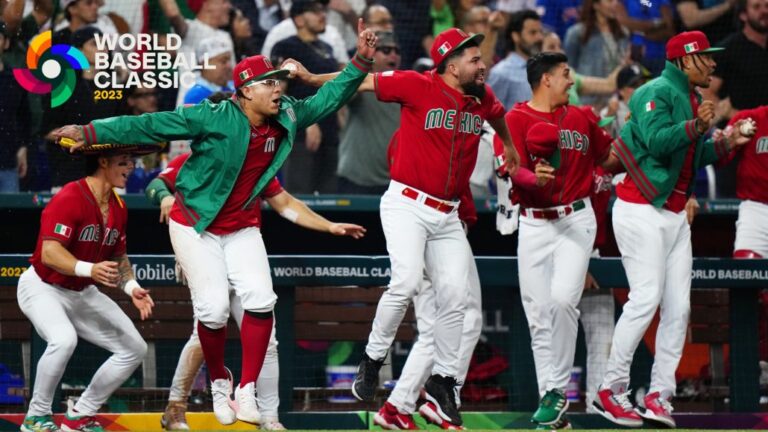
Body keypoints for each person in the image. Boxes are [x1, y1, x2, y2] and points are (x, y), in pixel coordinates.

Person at [53, 19, 378, 427]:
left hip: (241, 227)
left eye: (280, 82)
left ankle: (245, 388)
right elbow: (149, 124)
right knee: (213, 311)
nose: (279, 89)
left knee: (261, 300)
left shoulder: (288, 116)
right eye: (269, 83)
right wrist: (90, 129)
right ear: (245, 92)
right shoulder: (212, 116)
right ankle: (219, 380)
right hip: (193, 224)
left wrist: (362, 59)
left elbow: (331, 97)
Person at [295, 26, 520, 428]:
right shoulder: (417, 84)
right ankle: (372, 358)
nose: (482, 65)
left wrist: (512, 149)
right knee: (405, 282)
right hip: (407, 204)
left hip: (448, 214)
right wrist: (313, 79)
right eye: (473, 59)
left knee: (457, 297)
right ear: (450, 64)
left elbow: (500, 121)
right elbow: (361, 81)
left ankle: (445, 381)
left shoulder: (482, 97)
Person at [593, 31, 754, 428]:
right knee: (645, 298)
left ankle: (657, 396)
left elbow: (694, 154)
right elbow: (655, 140)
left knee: (678, 309)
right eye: (706, 58)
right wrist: (696, 128)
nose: (713, 65)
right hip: (638, 208)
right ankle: (609, 390)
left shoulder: (694, 99)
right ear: (684, 60)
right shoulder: (654, 90)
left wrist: (728, 139)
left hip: (674, 213)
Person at [147, 144, 362, 430]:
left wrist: (329, 226)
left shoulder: (255, 159)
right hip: (205, 255)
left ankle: (270, 418)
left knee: (268, 340)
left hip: (241, 257)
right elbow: (155, 185)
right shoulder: (196, 157)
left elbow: (284, 202)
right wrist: (164, 196)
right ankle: (176, 407)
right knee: (206, 329)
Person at [496, 52, 618, 429]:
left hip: (575, 220)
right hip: (534, 224)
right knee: (538, 317)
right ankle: (552, 399)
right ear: (545, 79)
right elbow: (512, 170)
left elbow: (608, 156)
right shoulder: (516, 119)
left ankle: (554, 392)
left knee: (564, 301)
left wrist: (638, 148)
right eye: (566, 75)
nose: (572, 81)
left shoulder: (581, 117)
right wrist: (535, 179)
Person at [18, 148, 154, 432]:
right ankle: (36, 416)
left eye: (131, 161)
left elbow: (119, 256)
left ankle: (80, 414)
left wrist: (131, 287)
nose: (130, 167)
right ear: (103, 162)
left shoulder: (118, 206)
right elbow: (50, 253)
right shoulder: (71, 196)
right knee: (63, 339)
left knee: (134, 348)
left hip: (81, 291)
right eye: (123, 161)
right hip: (42, 286)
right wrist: (88, 269)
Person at [336, 30, 401, 194]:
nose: (393, 55)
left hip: (392, 182)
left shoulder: (403, 89)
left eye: (396, 51)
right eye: (386, 51)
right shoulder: (361, 85)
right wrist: (361, 61)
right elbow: (343, 91)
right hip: (356, 180)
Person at [487, 9, 543, 110]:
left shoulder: (544, 69)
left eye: (540, 32)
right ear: (515, 36)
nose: (539, 37)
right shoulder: (501, 73)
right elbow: (490, 115)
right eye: (533, 32)